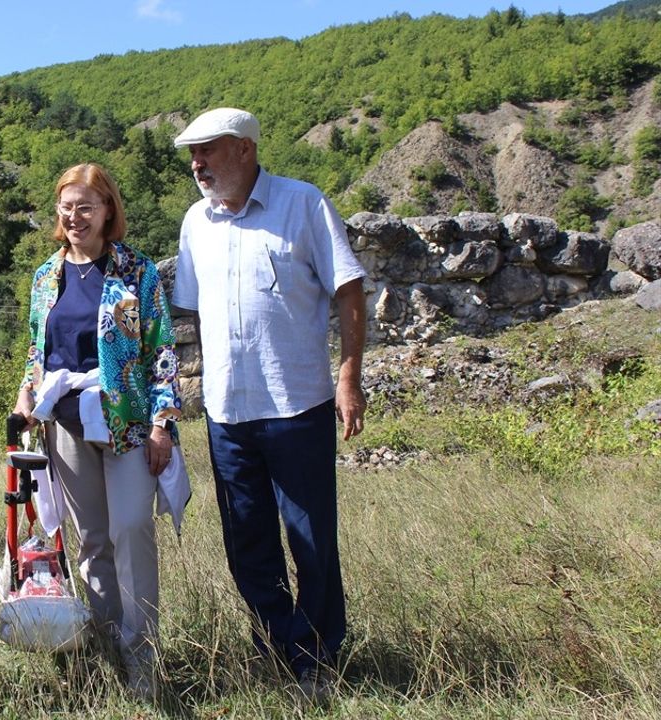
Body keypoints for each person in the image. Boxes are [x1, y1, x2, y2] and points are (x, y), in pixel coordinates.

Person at [170, 108, 368, 703]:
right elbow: (192, 312)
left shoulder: (303, 204)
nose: (197, 164)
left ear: (245, 149)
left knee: (310, 538)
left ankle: (317, 659)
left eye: (207, 151)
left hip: (298, 403)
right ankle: (285, 647)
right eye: (193, 154)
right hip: (227, 411)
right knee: (246, 541)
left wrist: (350, 374)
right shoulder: (194, 223)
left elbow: (349, 288)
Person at [12, 163, 182, 699]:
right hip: (64, 425)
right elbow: (39, 353)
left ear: (109, 210)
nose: (74, 216)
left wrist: (162, 425)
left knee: (131, 528)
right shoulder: (46, 276)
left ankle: (142, 656)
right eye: (67, 206)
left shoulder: (137, 271)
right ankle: (109, 641)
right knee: (91, 542)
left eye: (86, 206)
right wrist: (25, 400)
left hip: (127, 423)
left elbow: (162, 353)